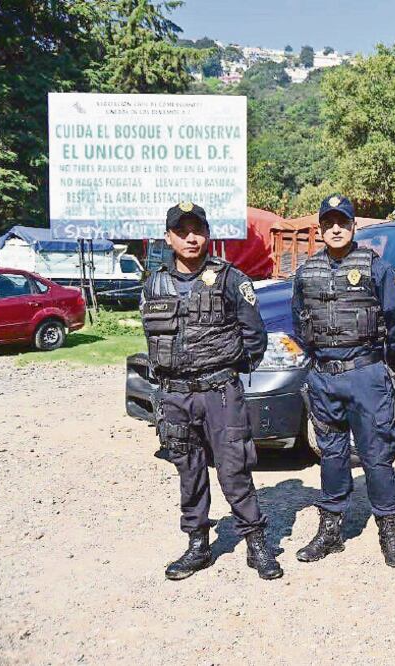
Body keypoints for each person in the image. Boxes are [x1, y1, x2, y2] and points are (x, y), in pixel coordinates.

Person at [141, 202, 282, 581]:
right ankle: (197, 545)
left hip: (220, 393)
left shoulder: (231, 279)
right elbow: (152, 337)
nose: (191, 237)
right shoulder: (154, 283)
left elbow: (255, 336)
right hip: (175, 396)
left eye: (197, 230)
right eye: (182, 231)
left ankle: (256, 543)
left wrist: (231, 373)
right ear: (168, 237)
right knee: (189, 471)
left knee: (235, 469)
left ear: (207, 233)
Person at [291, 194, 395, 568]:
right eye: (329, 224)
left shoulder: (376, 268)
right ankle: (330, 531)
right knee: (331, 454)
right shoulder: (306, 271)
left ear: (353, 225)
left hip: (365, 375)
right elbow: (299, 321)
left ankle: (390, 531)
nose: (336, 229)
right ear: (321, 229)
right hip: (324, 377)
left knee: (376, 456)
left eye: (342, 222)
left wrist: (372, 361)